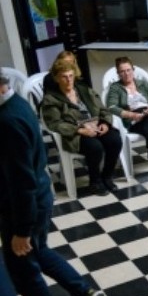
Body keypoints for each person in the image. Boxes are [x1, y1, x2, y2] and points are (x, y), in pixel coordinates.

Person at [0, 74, 104, 296]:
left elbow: (22, 181)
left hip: (25, 204)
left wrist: (21, 229)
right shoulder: (17, 104)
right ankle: (84, 293)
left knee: (19, 263)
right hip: (39, 196)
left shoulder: (7, 121)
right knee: (39, 250)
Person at [41, 59, 123, 196]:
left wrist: (105, 123)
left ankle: (107, 176)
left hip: (96, 125)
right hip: (76, 133)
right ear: (56, 78)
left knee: (115, 140)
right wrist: (80, 130)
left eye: (71, 76)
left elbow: (104, 109)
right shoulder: (51, 99)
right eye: (64, 77)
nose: (69, 80)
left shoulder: (85, 90)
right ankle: (95, 181)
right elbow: (55, 124)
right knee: (95, 147)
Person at [105, 56, 148, 180]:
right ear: (118, 73)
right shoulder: (115, 88)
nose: (126, 73)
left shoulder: (143, 84)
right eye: (122, 71)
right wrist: (131, 115)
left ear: (133, 70)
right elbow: (111, 107)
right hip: (134, 119)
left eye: (128, 70)